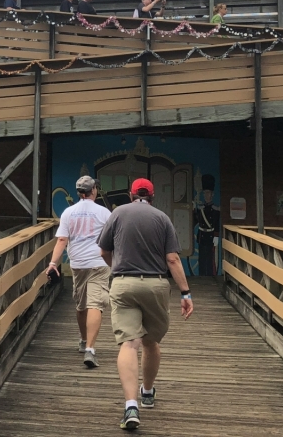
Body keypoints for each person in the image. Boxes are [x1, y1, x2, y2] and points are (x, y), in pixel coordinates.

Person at [97, 178, 193, 431]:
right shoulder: (162, 218)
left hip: (123, 284)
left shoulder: (117, 213)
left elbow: (103, 251)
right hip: (156, 285)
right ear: (151, 196)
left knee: (129, 344)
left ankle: (131, 405)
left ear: (131, 194)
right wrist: (185, 293)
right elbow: (172, 259)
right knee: (151, 343)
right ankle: (147, 392)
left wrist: (117, 269)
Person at [46, 176, 112, 369]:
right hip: (99, 262)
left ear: (78, 193)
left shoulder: (68, 212)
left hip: (78, 264)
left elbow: (61, 240)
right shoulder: (104, 212)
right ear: (93, 191)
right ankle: (91, 349)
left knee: (81, 304)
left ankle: (84, 341)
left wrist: (52, 263)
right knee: (95, 304)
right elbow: (112, 238)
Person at [193, 175, 221, 277]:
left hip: (210, 234)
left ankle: (209, 277)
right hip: (202, 235)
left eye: (208, 193)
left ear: (212, 194)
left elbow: (216, 223)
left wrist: (216, 236)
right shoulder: (200, 208)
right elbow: (195, 220)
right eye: (205, 193)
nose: (206, 195)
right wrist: (192, 210)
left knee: (210, 259)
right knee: (202, 258)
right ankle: (201, 276)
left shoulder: (215, 209)